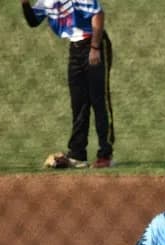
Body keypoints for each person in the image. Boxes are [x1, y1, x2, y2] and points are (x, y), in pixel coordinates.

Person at [21, 0, 115, 168]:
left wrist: (95, 48)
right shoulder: (46, 1)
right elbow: (33, 21)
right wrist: (25, 4)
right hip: (75, 49)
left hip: (94, 43)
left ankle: (105, 155)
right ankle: (78, 154)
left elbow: (98, 14)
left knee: (98, 100)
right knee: (78, 103)